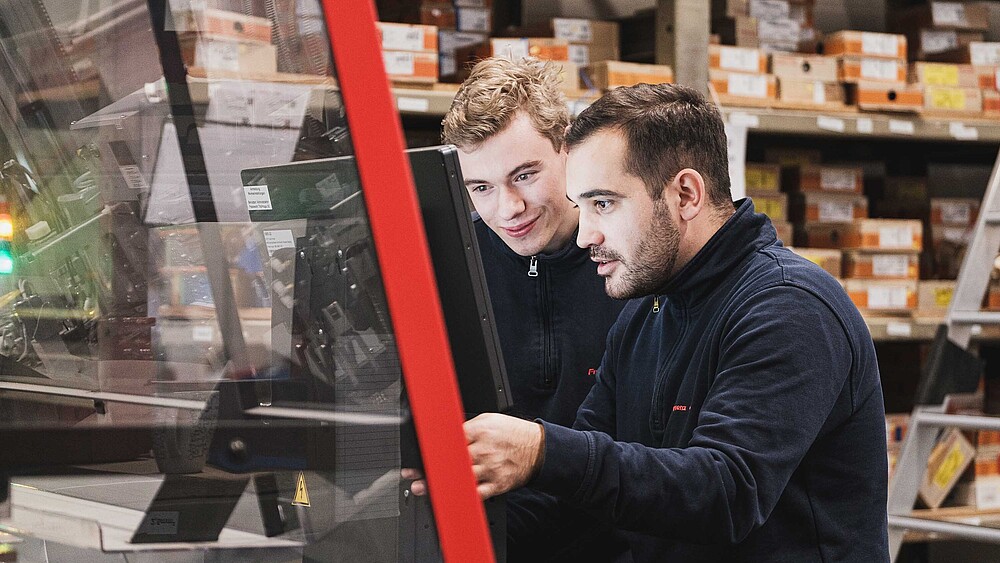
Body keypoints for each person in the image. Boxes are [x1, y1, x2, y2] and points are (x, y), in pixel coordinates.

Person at [437, 83, 890, 561]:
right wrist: (444, 522)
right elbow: (574, 498)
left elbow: (726, 492)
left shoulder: (789, 307)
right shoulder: (642, 316)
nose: (587, 233)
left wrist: (542, 449)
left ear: (686, 194)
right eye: (582, 205)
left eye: (604, 204)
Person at [440, 58, 629, 560]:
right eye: (480, 188)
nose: (508, 209)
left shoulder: (635, 262)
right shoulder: (456, 260)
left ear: (568, 148)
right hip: (493, 540)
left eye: (524, 175)